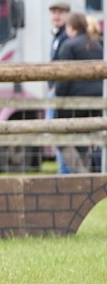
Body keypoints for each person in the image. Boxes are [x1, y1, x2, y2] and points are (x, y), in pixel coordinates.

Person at [53, 11, 104, 173]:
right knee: (89, 140)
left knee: (61, 138)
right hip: (96, 100)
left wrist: (58, 98)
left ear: (71, 27)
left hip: (73, 102)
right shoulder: (97, 45)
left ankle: (82, 173)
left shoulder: (68, 45)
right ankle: (92, 172)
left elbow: (63, 78)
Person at [47, 1, 72, 173]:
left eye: (60, 13)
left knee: (59, 134)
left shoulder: (67, 38)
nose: (56, 16)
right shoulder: (57, 36)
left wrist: (56, 89)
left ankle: (65, 173)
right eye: (53, 12)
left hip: (61, 93)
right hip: (55, 91)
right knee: (55, 134)